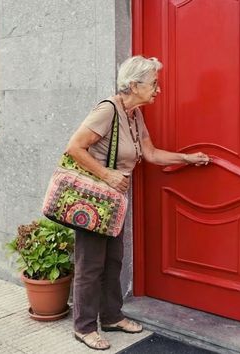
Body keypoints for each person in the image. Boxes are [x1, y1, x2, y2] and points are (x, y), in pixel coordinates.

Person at [65, 55, 210, 350]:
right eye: (153, 84)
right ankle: (83, 327)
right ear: (133, 85)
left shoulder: (134, 115)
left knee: (113, 260)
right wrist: (108, 174)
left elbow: (152, 154)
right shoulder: (107, 110)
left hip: (114, 202)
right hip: (94, 200)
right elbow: (74, 147)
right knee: (90, 264)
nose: (158, 89)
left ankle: (111, 316)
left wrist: (187, 158)